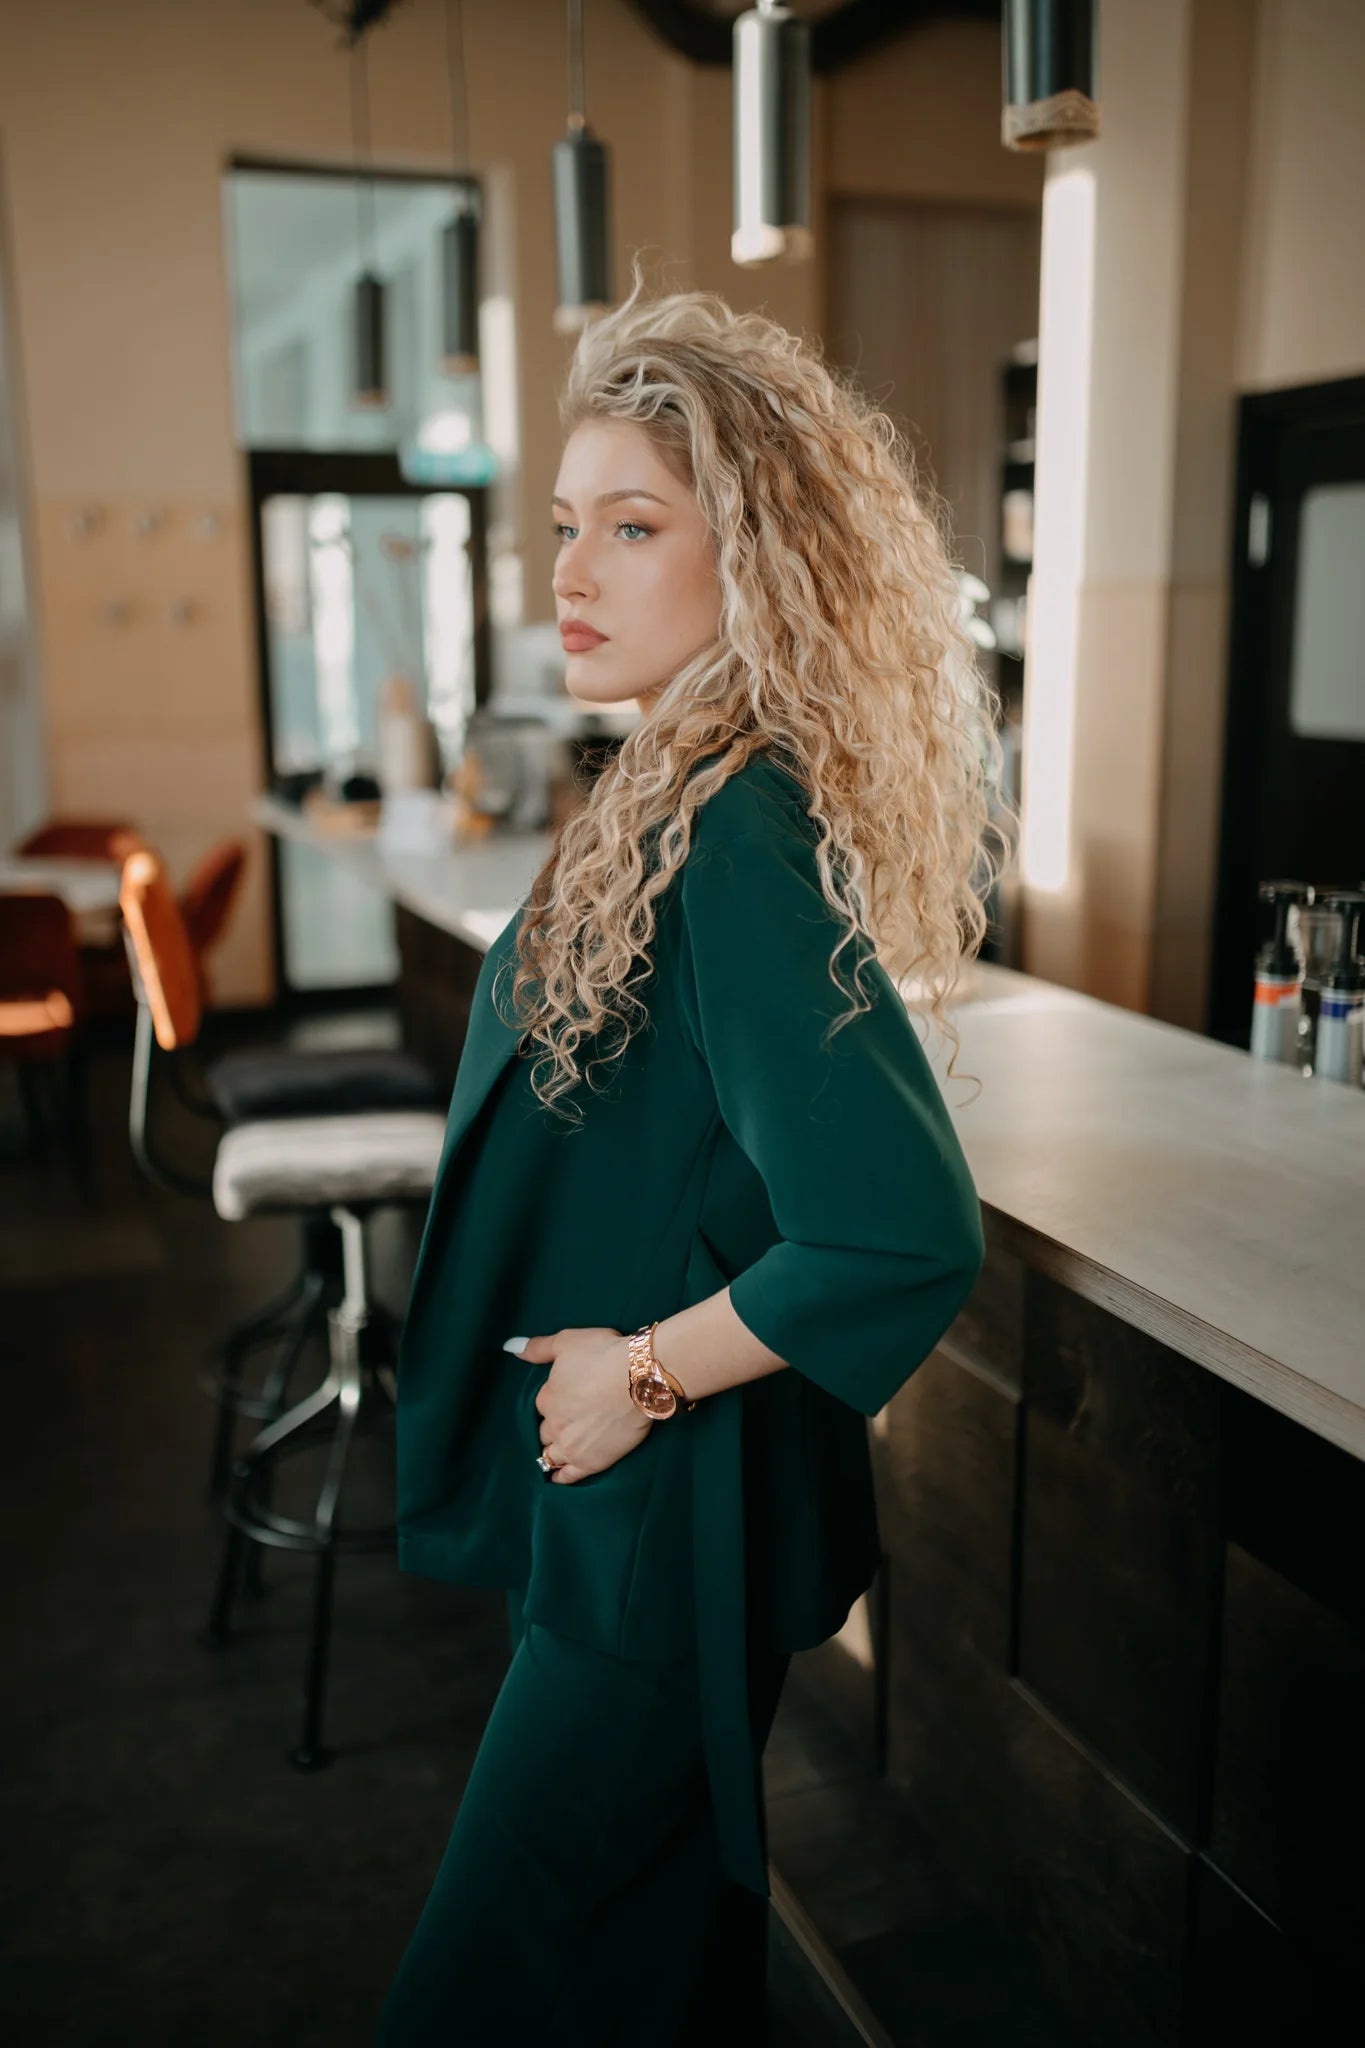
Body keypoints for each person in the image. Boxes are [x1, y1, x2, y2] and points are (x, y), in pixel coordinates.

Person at [375, 260, 1007, 2046]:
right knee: (641, 1977)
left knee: (483, 1995)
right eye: (565, 525)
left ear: (758, 556)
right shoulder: (675, 780)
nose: (568, 576)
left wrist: (643, 1375)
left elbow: (896, 1233)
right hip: (627, 1520)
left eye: (631, 527)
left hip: (659, 1520)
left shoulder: (734, 826)